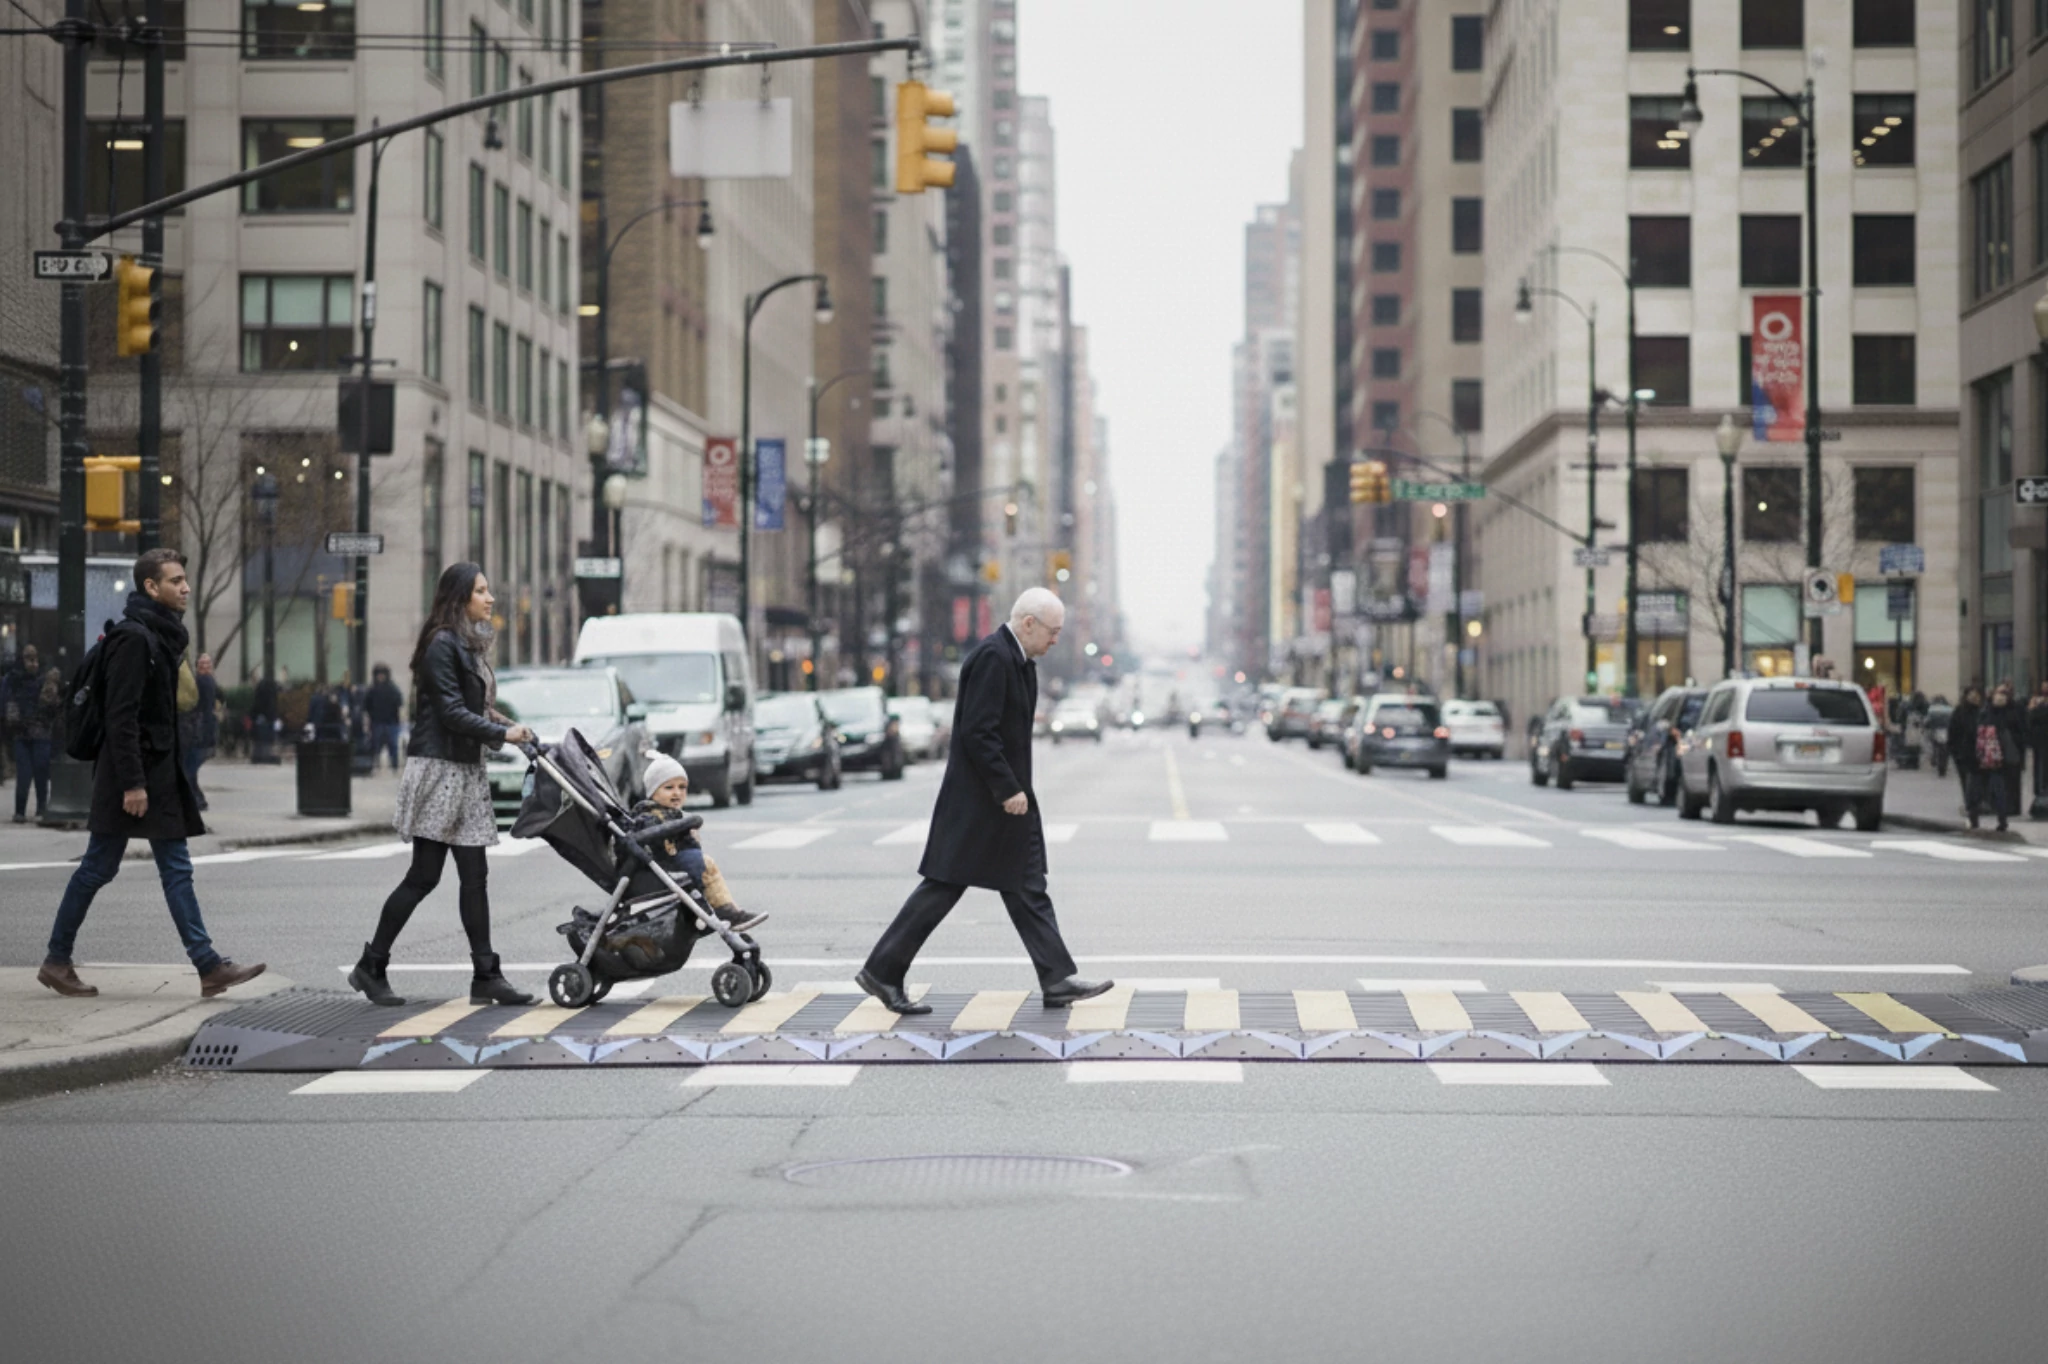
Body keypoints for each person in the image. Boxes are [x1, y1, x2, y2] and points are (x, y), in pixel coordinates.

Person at [855, 587, 1111, 1016]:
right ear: (1028, 623)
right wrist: (1007, 789)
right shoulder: (994, 658)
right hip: (982, 804)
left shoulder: (1020, 661)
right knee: (943, 886)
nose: (1055, 641)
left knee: (1027, 885)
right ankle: (882, 970)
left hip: (1004, 800)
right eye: (1052, 632)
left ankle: (1056, 977)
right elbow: (978, 732)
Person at [36, 549, 267, 999]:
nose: (185, 587)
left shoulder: (159, 636)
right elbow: (121, 717)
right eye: (175, 580)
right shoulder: (136, 640)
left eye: (185, 579)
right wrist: (133, 783)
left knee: (167, 868)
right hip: (134, 777)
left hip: (153, 773)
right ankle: (57, 959)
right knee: (97, 868)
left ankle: (206, 965)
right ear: (150, 587)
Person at [347, 563, 536, 1008]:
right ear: (460, 597)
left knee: (475, 877)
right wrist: (500, 735)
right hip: (439, 769)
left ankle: (486, 975)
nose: (490, 599)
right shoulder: (441, 644)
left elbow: (477, 707)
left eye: (489, 591)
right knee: (423, 877)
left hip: (465, 770)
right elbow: (450, 711)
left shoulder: (466, 643)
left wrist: (513, 728)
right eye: (482, 591)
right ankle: (371, 965)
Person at [626, 753, 765, 933]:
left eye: (682, 787)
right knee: (704, 863)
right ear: (653, 792)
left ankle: (728, 910)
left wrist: (687, 835)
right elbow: (652, 840)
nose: (677, 792)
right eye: (669, 788)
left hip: (670, 867)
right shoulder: (648, 816)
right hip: (659, 869)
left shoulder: (673, 814)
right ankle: (724, 912)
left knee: (707, 864)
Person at [10, 664, 60, 823]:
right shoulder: (16, 680)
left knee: (40, 775)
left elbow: (53, 710)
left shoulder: (46, 684)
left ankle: (39, 809)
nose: (31, 663)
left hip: (40, 734)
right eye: (28, 659)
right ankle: (22, 810)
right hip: (26, 735)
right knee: (25, 776)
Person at [1980, 681, 2026, 834]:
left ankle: (2005, 814)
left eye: (2003, 694)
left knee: (2005, 786)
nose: (2000, 697)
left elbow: (2022, 733)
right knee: (1998, 786)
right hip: (1994, 756)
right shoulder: (1989, 711)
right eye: (1998, 694)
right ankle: (2002, 816)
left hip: (2008, 755)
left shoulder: (2013, 711)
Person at [178, 652, 219, 812]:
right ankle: (197, 800)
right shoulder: (210, 682)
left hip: (198, 732)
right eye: (201, 664)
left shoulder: (201, 682)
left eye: (207, 664)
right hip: (202, 732)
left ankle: (195, 800)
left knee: (188, 769)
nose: (204, 667)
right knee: (190, 769)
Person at [1949, 685, 1984, 828]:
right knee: (1967, 784)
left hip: (1979, 754)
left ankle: (1974, 807)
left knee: (1976, 784)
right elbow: (1953, 732)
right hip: (1964, 755)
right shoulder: (1960, 712)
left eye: (1976, 695)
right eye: (1971, 695)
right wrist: (1955, 752)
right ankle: (1972, 810)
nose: (1974, 698)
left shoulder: (1982, 712)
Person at [364, 663, 405, 773]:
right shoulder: (372, 690)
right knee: (376, 746)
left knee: (393, 747)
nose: (380, 677)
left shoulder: (393, 689)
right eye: (379, 674)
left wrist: (400, 721)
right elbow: (366, 707)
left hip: (391, 722)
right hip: (377, 722)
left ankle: (394, 767)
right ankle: (375, 766)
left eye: (382, 674)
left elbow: (400, 705)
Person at [2028, 683, 2048, 811]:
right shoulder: (2036, 704)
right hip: (2040, 742)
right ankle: (2041, 792)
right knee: (2040, 767)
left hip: (2041, 740)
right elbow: (2029, 720)